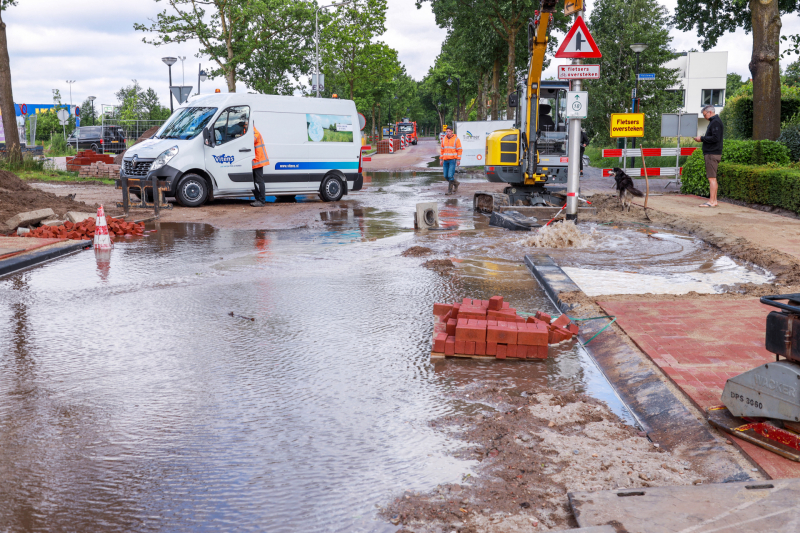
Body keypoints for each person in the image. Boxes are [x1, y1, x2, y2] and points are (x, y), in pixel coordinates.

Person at [693, 104, 724, 208]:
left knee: (711, 178)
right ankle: (714, 201)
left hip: (712, 153)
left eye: (704, 114)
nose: (704, 117)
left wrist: (701, 138)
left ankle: (711, 201)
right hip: (714, 153)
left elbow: (715, 138)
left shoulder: (715, 122)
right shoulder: (716, 121)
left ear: (710, 112)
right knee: (713, 178)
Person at [250, 124, 270, 207]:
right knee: (251, 182)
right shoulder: (250, 131)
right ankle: (258, 198)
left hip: (258, 161)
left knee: (259, 181)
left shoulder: (255, 133)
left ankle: (261, 200)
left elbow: (250, 141)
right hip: (254, 161)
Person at [440, 126, 462, 194]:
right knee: (445, 176)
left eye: (449, 131)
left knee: (450, 175)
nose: (448, 133)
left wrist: (458, 160)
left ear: (452, 132)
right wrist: (441, 159)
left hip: (453, 160)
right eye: (447, 131)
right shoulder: (444, 139)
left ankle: (449, 191)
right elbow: (442, 150)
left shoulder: (456, 139)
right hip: (445, 160)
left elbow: (459, 150)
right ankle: (456, 183)